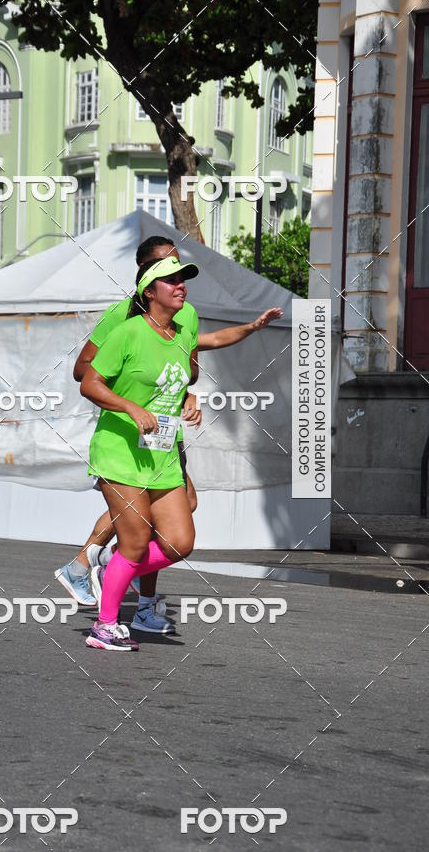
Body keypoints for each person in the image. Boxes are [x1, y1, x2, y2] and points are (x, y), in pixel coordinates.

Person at [55, 235, 283, 630]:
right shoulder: (123, 321)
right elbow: (85, 374)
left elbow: (190, 356)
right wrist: (131, 397)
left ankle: (113, 571)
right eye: (167, 268)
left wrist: (186, 392)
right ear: (145, 275)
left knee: (176, 517)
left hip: (164, 434)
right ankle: (104, 572)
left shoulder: (185, 318)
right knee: (143, 526)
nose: (179, 278)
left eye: (180, 266)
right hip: (127, 434)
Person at [80, 255, 200, 650]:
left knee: (180, 542)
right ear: (149, 292)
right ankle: (105, 626)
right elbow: (90, 383)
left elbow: (173, 385)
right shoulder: (128, 332)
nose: (180, 285)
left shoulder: (182, 336)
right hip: (119, 451)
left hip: (161, 453)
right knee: (133, 543)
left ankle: (114, 567)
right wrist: (130, 407)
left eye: (183, 280)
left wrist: (189, 400)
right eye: (171, 280)